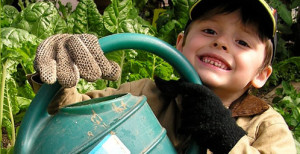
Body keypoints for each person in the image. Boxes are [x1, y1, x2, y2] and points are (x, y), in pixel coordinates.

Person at [28, 0, 296, 153]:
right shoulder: (144, 95)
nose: (222, 43)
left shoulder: (266, 126)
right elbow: (72, 118)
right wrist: (58, 81)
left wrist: (225, 136)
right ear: (179, 45)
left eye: (242, 42)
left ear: (261, 75)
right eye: (210, 31)